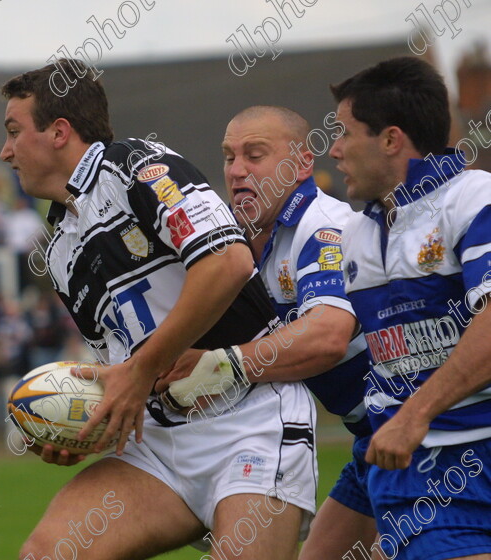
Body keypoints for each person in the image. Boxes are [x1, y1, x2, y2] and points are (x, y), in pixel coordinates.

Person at [0, 59, 317, 560]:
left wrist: (140, 371)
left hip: (250, 420)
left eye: (14, 132)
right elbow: (124, 372)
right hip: (160, 446)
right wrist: (85, 427)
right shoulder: (59, 248)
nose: (5, 151)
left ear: (59, 132)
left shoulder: (137, 165)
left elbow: (228, 262)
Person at [155, 105, 376, 558]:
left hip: (426, 430)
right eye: (229, 157)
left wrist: (226, 365)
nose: (237, 171)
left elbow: (329, 334)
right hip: (374, 440)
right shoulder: (239, 246)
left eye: (255, 155)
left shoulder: (323, 225)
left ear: (301, 164)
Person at [329, 56, 491, 559]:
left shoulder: (473, 198)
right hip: (405, 471)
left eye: (344, 133)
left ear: (391, 139)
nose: (332, 150)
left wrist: (415, 414)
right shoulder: (355, 235)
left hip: (469, 449)